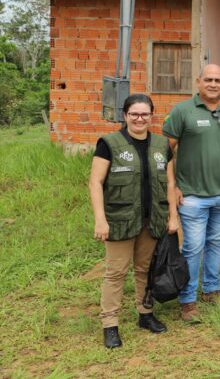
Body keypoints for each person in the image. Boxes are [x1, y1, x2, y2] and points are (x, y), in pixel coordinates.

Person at [88, 94, 179, 348]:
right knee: (116, 273)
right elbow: (95, 182)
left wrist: (173, 216)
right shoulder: (109, 143)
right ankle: (110, 325)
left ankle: (145, 314)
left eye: (145, 114)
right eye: (134, 114)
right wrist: (100, 220)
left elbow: (170, 182)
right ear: (125, 115)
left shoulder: (162, 145)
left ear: (152, 115)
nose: (140, 119)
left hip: (153, 221)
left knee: (145, 270)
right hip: (120, 220)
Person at [163, 64, 220, 323]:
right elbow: (165, 152)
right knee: (193, 248)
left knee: (215, 244)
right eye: (208, 79)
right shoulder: (182, 111)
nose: (213, 84)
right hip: (193, 196)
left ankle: (211, 289)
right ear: (198, 82)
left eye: (218, 80)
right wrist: (173, 186)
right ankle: (188, 300)